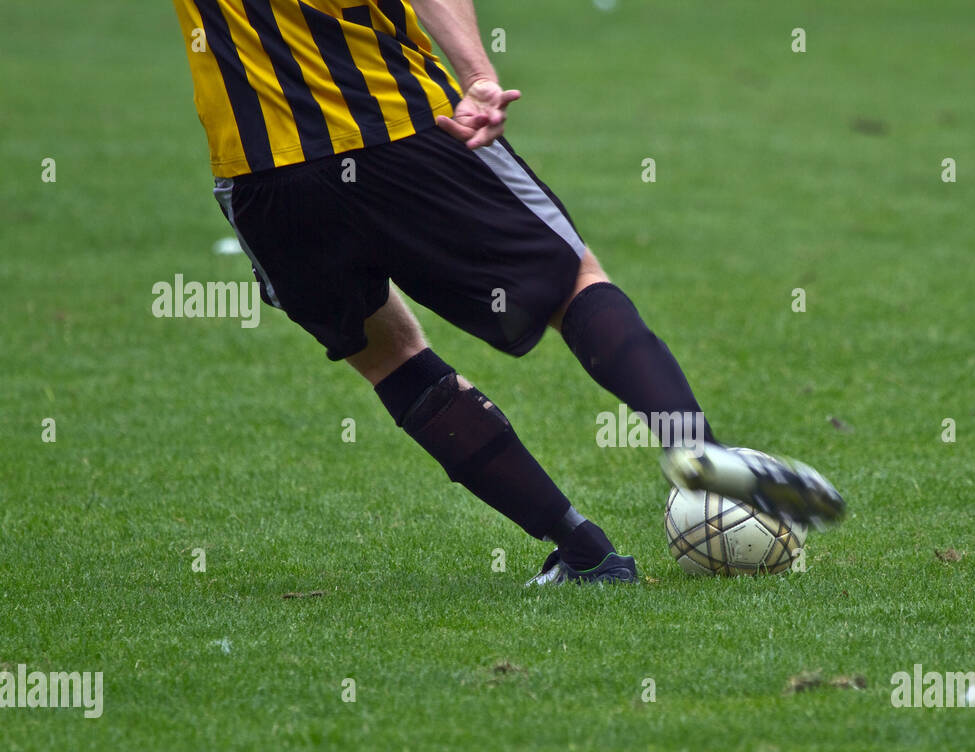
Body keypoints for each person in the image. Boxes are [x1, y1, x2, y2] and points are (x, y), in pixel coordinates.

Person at [172, 0, 844, 585]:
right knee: (571, 280)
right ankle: (695, 443)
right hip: (399, 126)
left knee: (386, 354)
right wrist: (478, 77)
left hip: (263, 175)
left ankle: (584, 554)